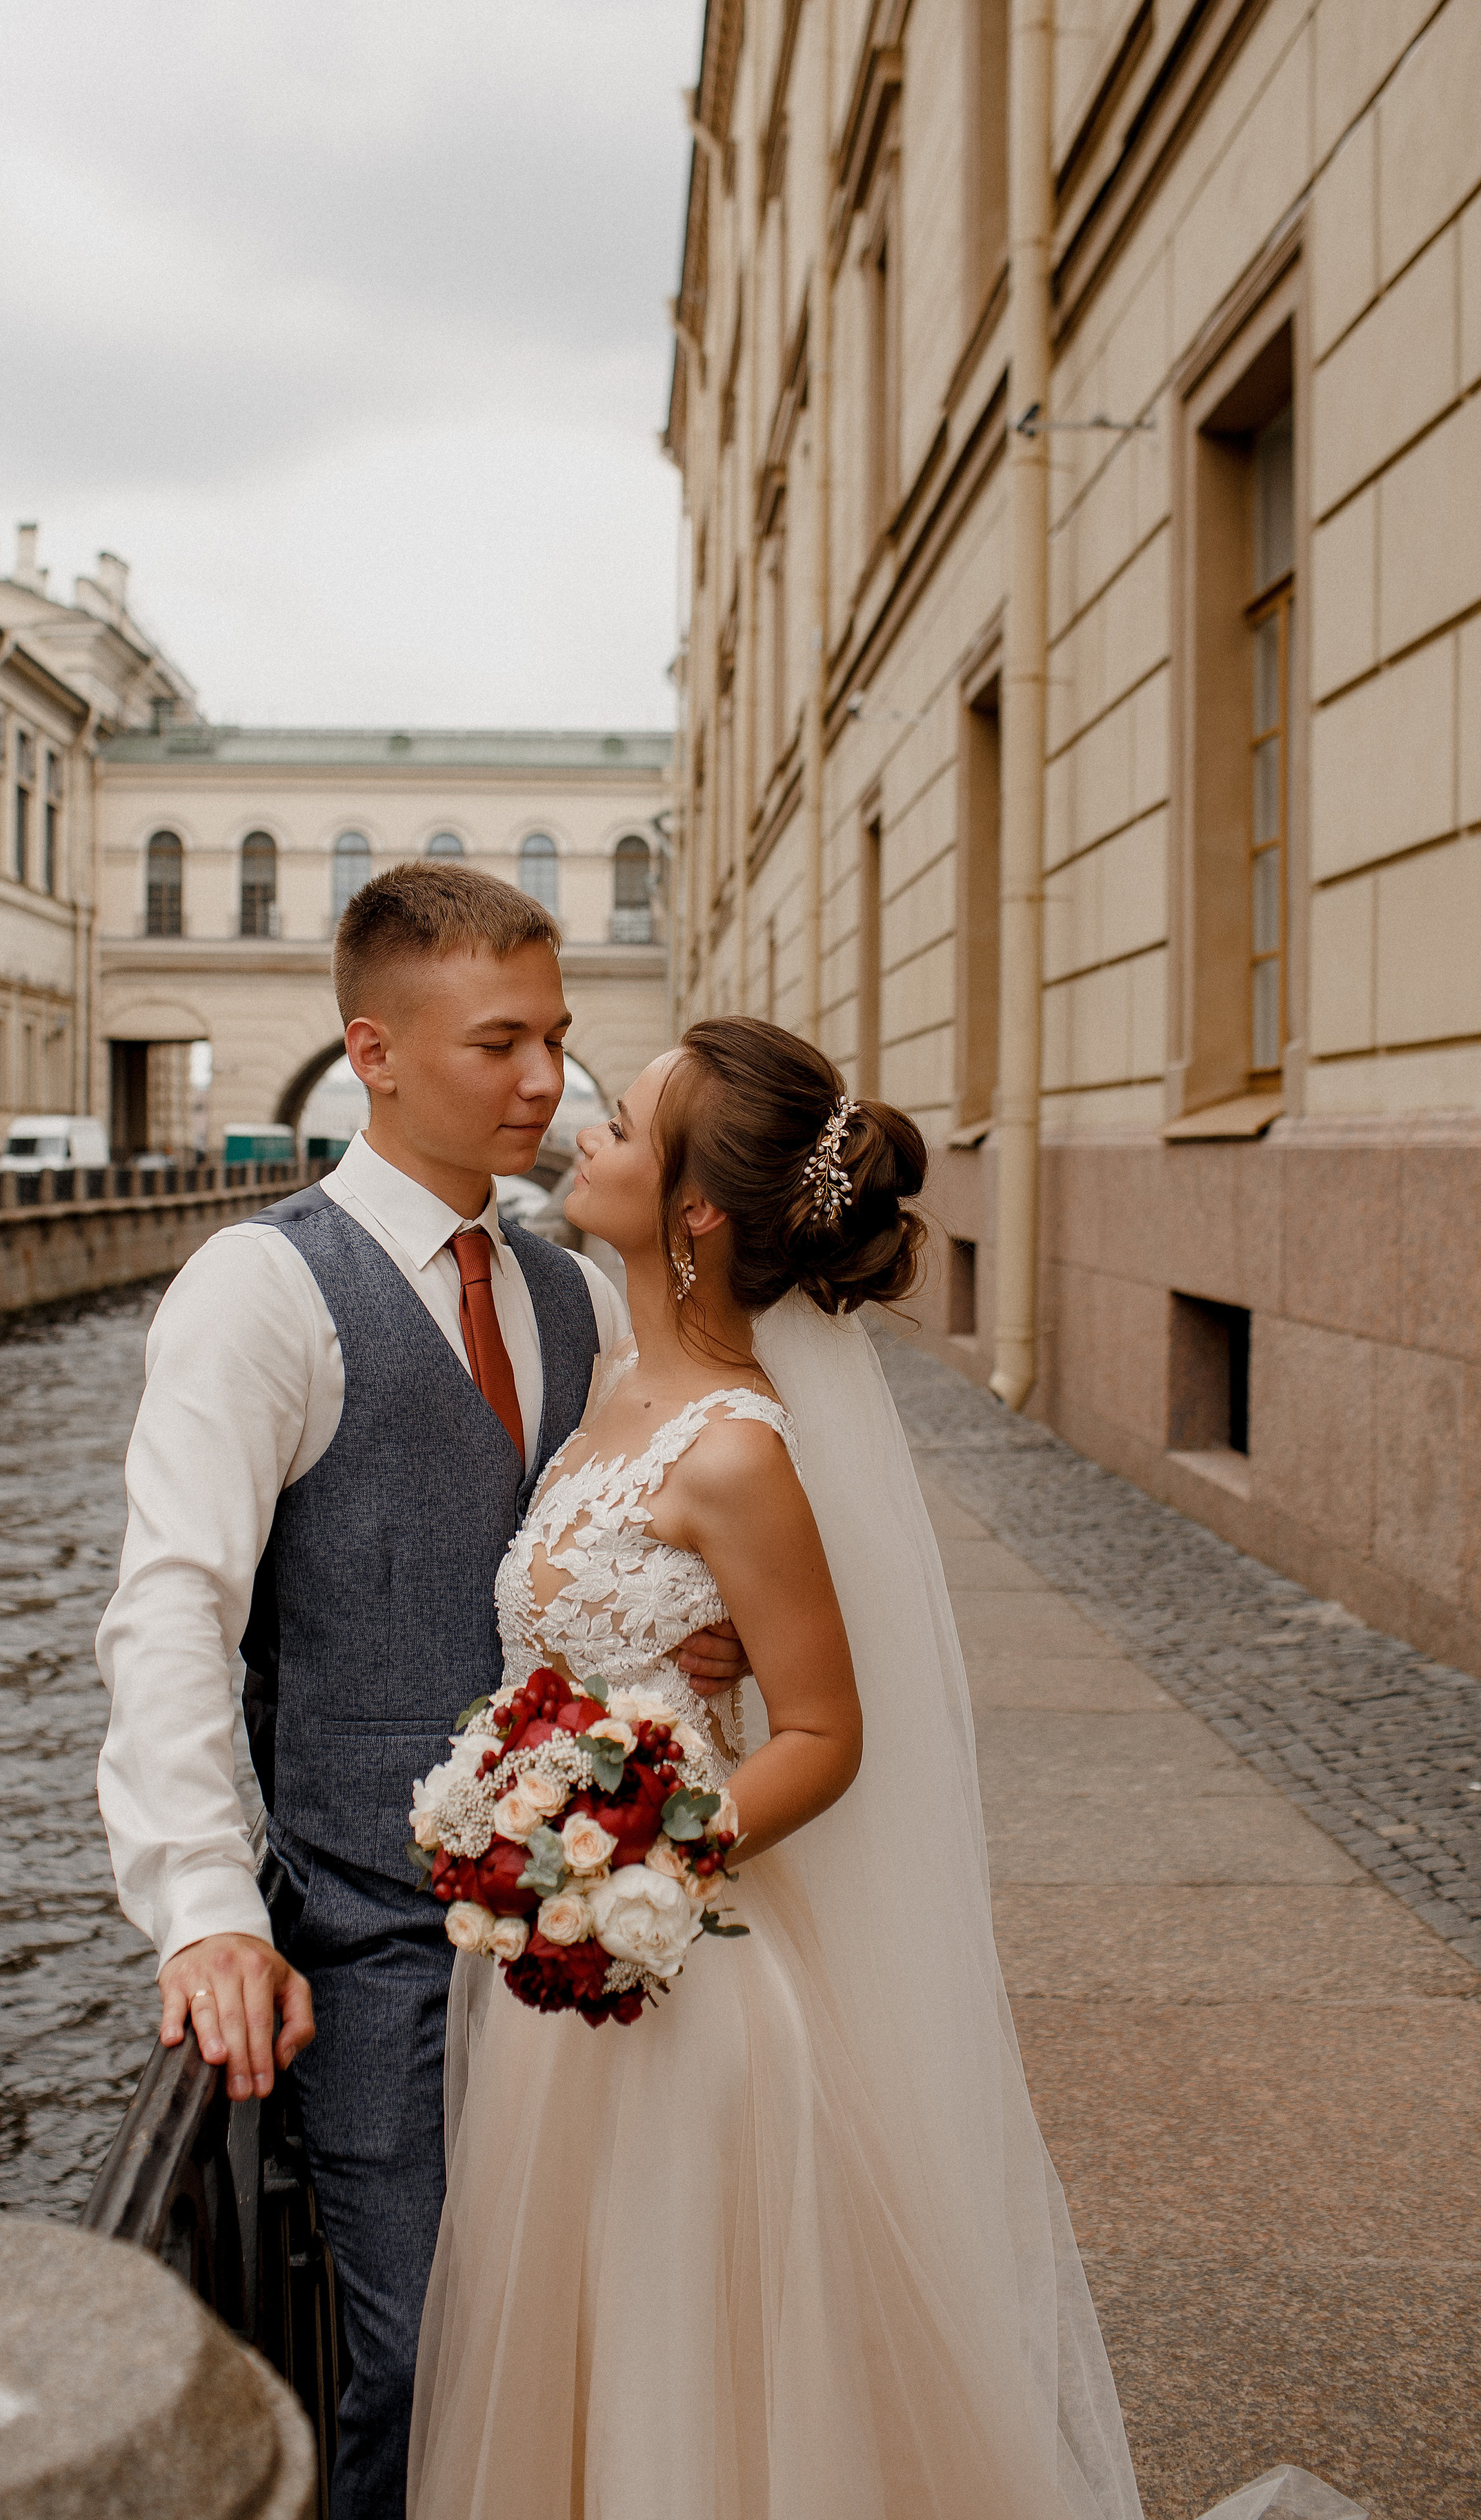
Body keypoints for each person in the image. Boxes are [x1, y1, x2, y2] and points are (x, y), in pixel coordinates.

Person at [408, 1017, 1143, 2520]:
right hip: (565, 1962)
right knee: (569, 2341)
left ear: (693, 1210)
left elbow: (825, 1734)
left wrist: (631, 1859)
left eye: (619, 1127)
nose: (581, 1139)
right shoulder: (609, 1381)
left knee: (690, 2368)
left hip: (682, 1971)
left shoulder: (737, 1447)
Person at [95, 863, 745, 2520]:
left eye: (559, 1041)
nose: (546, 1083)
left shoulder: (570, 1289)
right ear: (370, 1052)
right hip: (371, 1947)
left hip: (591, 1933)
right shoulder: (257, 1288)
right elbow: (169, 1611)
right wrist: (205, 1909)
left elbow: (624, 1539)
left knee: (587, 2345)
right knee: (420, 2367)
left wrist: (697, 1630)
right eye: (500, 1044)